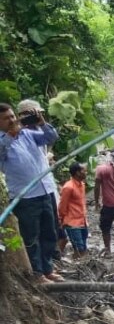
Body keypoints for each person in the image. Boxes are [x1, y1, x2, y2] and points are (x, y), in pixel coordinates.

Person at [0, 102, 63, 282]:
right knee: (31, 235)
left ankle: (48, 268)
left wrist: (42, 122)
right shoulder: (3, 142)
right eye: (6, 118)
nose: (12, 120)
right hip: (25, 196)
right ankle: (37, 273)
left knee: (49, 232)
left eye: (13, 116)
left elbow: (51, 137)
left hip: (45, 190)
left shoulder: (27, 134)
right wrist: (10, 136)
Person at [58, 162, 89, 258]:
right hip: (72, 222)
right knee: (79, 247)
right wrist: (62, 219)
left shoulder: (82, 185)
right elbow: (62, 206)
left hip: (82, 221)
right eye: (84, 171)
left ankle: (81, 265)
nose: (86, 172)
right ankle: (79, 265)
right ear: (77, 173)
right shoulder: (68, 187)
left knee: (83, 246)